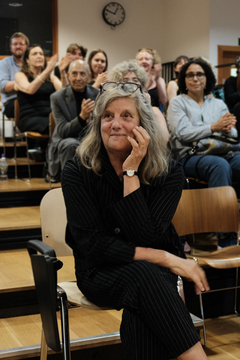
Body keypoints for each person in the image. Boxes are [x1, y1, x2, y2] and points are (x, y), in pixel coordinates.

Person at [61, 82, 209, 360]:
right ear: (98, 124)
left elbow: (147, 234)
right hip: (99, 272)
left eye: (126, 116)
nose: (115, 124)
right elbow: (92, 245)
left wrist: (131, 172)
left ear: (144, 126)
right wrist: (166, 258)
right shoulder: (77, 171)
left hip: (153, 274)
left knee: (142, 304)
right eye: (108, 116)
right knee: (146, 279)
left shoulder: (169, 172)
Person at [167, 59, 240, 247]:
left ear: (207, 78)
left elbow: (233, 133)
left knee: (228, 162)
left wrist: (224, 128)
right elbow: (182, 133)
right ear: (184, 79)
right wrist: (213, 127)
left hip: (223, 152)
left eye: (200, 74)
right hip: (189, 156)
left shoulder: (218, 103)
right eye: (190, 75)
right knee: (219, 166)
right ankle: (225, 238)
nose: (195, 78)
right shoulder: (177, 103)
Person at [48, 59, 99, 181]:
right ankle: (69, 184)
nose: (78, 78)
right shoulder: (57, 97)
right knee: (72, 144)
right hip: (65, 140)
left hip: (90, 138)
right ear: (68, 75)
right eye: (74, 73)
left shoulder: (97, 94)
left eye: (82, 74)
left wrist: (90, 121)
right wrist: (82, 117)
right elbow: (63, 131)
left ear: (89, 76)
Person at [109, 59, 169, 141]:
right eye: (125, 80)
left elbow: (164, 140)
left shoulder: (155, 111)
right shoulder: (113, 109)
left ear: (142, 84)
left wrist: (147, 108)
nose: (131, 84)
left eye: (135, 80)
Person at [14, 44, 64, 136]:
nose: (39, 56)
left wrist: (63, 72)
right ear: (27, 60)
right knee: (59, 126)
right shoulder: (20, 75)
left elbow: (65, 92)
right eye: (35, 54)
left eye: (41, 54)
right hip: (30, 118)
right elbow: (30, 90)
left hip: (49, 117)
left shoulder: (51, 77)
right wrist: (47, 70)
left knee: (69, 124)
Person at [0, 32, 29, 118]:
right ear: (11, 47)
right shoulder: (4, 63)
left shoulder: (32, 63)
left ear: (27, 47)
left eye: (21, 44)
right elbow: (3, 86)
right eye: (15, 44)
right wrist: (21, 82)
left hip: (31, 99)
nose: (18, 46)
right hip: (12, 102)